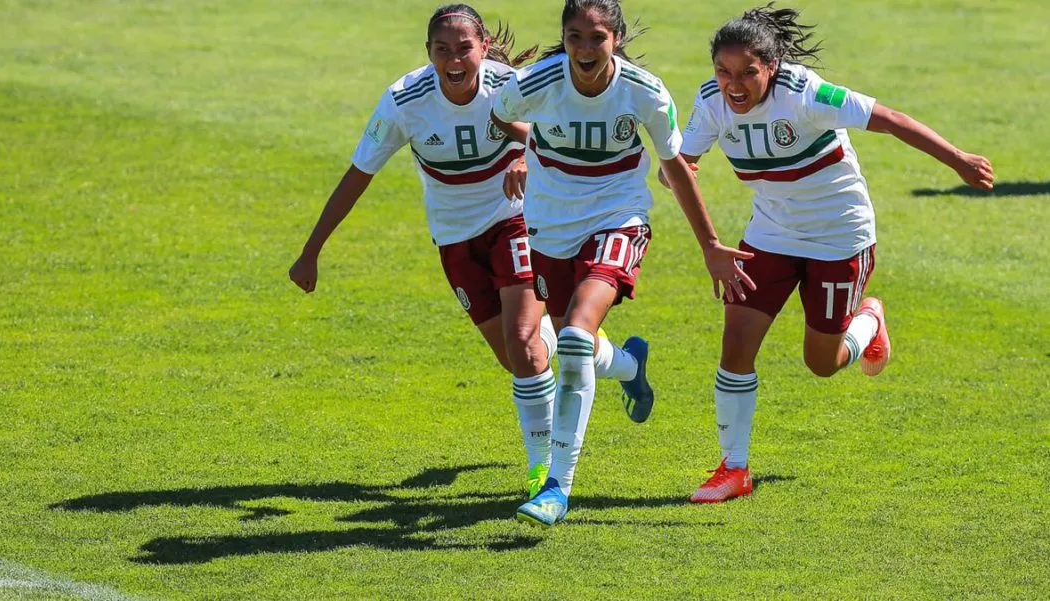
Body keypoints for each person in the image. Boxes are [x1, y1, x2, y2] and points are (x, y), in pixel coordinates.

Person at [288, 4, 643, 501]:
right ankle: (626, 364)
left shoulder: (510, 87)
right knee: (521, 357)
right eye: (442, 50)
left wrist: (523, 157)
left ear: (482, 49)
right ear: (429, 53)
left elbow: (554, 135)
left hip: (516, 221)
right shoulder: (404, 100)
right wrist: (312, 250)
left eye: (464, 48)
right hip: (454, 238)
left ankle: (544, 476)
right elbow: (358, 175)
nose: (454, 60)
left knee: (524, 343)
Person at [666, 4, 995, 504]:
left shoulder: (805, 94)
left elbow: (891, 120)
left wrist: (959, 160)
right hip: (771, 236)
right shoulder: (711, 102)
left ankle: (868, 319)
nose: (734, 84)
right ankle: (733, 469)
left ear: (771, 68)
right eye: (723, 71)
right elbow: (681, 164)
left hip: (840, 238)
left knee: (822, 363)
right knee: (735, 343)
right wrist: (688, 194)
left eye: (747, 73)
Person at [492, 0, 752, 527]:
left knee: (572, 339)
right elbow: (502, 118)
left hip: (618, 216)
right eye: (574, 37)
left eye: (596, 38)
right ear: (563, 38)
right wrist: (525, 153)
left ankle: (556, 488)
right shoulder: (532, 84)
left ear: (616, 39)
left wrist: (710, 245)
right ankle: (632, 366)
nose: (584, 49)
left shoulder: (644, 92)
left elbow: (676, 166)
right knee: (576, 345)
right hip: (550, 222)